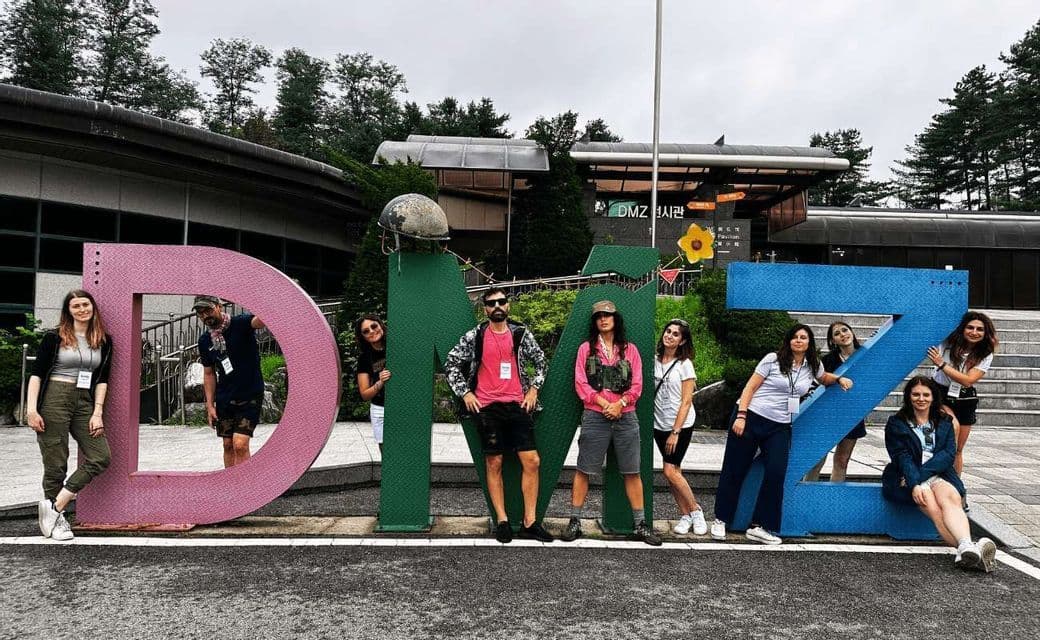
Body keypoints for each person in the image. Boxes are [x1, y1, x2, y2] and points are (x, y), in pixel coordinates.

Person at [711, 323, 853, 545]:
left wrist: (838, 379)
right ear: (789, 341)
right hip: (752, 417)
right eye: (795, 337)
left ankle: (760, 526)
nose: (799, 340)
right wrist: (741, 415)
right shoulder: (772, 359)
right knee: (734, 468)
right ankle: (721, 519)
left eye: (803, 337)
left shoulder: (812, 365)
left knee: (776, 473)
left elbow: (824, 377)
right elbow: (750, 387)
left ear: (809, 342)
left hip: (779, 426)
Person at [444, 288, 553, 543]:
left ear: (508, 306)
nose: (497, 306)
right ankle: (502, 520)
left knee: (532, 461)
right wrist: (465, 393)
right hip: (487, 407)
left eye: (501, 302)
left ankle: (530, 521)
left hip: (517, 404)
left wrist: (534, 389)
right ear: (485, 309)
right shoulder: (476, 335)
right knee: (495, 463)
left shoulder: (520, 333)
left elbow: (540, 362)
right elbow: (451, 362)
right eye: (491, 303)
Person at [561, 300, 661, 546]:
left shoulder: (631, 350)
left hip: (626, 416)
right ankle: (575, 521)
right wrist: (604, 404)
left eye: (608, 315)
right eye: (599, 316)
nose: (603, 319)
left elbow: (637, 383)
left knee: (632, 471)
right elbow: (580, 383)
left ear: (616, 319)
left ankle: (640, 524)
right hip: (595, 415)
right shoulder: (587, 349)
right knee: (584, 468)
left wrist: (620, 404)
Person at [882, 377, 996, 572]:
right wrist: (915, 482)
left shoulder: (945, 422)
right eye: (916, 394)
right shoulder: (897, 423)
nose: (921, 399)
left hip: (938, 473)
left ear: (934, 397)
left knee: (951, 498)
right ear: (908, 397)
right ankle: (969, 547)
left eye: (926, 395)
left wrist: (922, 475)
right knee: (933, 507)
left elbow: (948, 454)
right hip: (907, 476)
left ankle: (967, 549)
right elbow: (902, 457)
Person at [26, 290, 112, 541]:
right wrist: (32, 410)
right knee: (56, 460)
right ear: (68, 310)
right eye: (76, 306)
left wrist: (98, 412)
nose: (82, 309)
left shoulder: (104, 340)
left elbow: (103, 380)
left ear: (93, 308)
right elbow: (36, 375)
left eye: (86, 304)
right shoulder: (54, 337)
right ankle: (57, 520)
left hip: (84, 400)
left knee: (100, 456)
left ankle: (56, 505)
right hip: (54, 397)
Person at [194, 295, 265, 469]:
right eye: (200, 313)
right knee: (227, 445)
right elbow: (209, 373)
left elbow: (261, 321)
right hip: (225, 398)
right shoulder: (205, 341)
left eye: (208, 310)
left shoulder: (241, 324)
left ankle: (244, 489)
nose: (205, 316)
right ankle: (231, 488)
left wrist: (269, 299)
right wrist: (210, 406)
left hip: (250, 394)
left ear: (219, 306)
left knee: (240, 444)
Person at [652, 319, 707, 535]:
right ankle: (684, 515)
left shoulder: (685, 364)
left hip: (680, 425)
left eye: (676, 334)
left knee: (669, 470)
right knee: (674, 471)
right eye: (668, 331)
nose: (670, 336)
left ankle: (696, 511)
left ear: (682, 340)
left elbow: (686, 401)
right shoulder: (654, 361)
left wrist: (675, 431)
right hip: (658, 423)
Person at [927, 311, 998, 476]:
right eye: (970, 327)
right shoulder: (947, 342)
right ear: (962, 328)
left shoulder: (985, 353)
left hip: (964, 397)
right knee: (953, 427)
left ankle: (956, 485)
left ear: (985, 333)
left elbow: (967, 380)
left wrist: (942, 364)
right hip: (940, 392)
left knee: (958, 448)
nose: (974, 332)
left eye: (979, 329)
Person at [806, 322, 867, 482]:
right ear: (833, 341)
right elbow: (817, 383)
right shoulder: (827, 361)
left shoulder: (867, 355)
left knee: (842, 461)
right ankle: (809, 495)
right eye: (837, 333)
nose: (843, 334)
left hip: (853, 415)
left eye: (845, 330)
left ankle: (833, 499)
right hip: (828, 415)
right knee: (816, 460)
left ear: (852, 332)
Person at [355, 314, 390, 453]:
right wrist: (380, 382)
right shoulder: (364, 359)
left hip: (402, 406)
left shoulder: (397, 347)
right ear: (362, 336)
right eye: (365, 331)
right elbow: (364, 394)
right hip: (380, 409)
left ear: (380, 325)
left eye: (374, 326)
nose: (371, 331)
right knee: (387, 454)